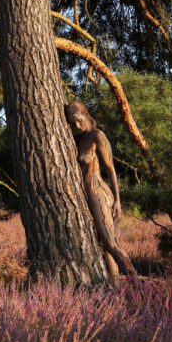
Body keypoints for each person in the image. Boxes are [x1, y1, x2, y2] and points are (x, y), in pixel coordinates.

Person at [65, 101, 137, 285]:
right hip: (86, 194)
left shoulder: (97, 135)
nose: (76, 126)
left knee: (109, 242)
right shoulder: (79, 139)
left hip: (98, 191)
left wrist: (118, 201)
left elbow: (111, 170)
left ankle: (137, 285)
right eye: (72, 123)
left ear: (85, 114)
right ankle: (115, 287)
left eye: (78, 120)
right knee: (103, 246)